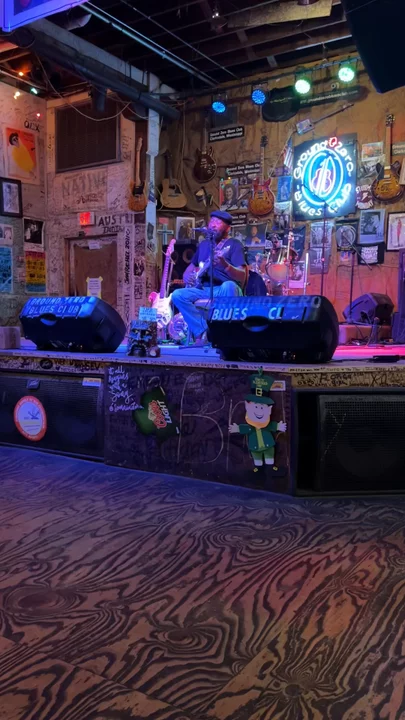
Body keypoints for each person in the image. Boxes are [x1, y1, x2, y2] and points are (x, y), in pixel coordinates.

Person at [171, 210, 246, 345]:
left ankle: (226, 334)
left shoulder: (234, 245)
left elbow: (242, 275)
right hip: (203, 289)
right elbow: (189, 269)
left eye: (218, 222)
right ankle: (204, 331)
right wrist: (188, 277)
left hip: (224, 289)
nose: (213, 225)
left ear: (228, 228)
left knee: (229, 286)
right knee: (177, 295)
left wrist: (225, 264)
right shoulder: (204, 245)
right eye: (212, 221)